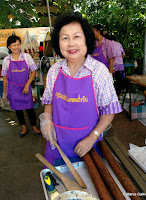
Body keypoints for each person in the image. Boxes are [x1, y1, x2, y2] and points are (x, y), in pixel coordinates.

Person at [41, 12, 122, 166]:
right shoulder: (54, 71)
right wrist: (47, 120)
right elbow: (49, 101)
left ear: (86, 39)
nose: (71, 44)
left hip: (89, 147)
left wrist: (93, 137)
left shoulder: (99, 72)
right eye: (65, 38)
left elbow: (109, 111)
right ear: (59, 43)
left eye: (76, 36)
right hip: (57, 145)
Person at [1, 35, 41, 137]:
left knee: (30, 109)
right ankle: (23, 127)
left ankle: (34, 126)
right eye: (14, 45)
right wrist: (4, 93)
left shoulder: (26, 57)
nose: (17, 47)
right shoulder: (6, 60)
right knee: (18, 110)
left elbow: (33, 72)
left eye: (18, 44)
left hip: (25, 88)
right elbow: (5, 77)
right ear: (9, 47)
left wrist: (27, 85)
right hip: (13, 89)